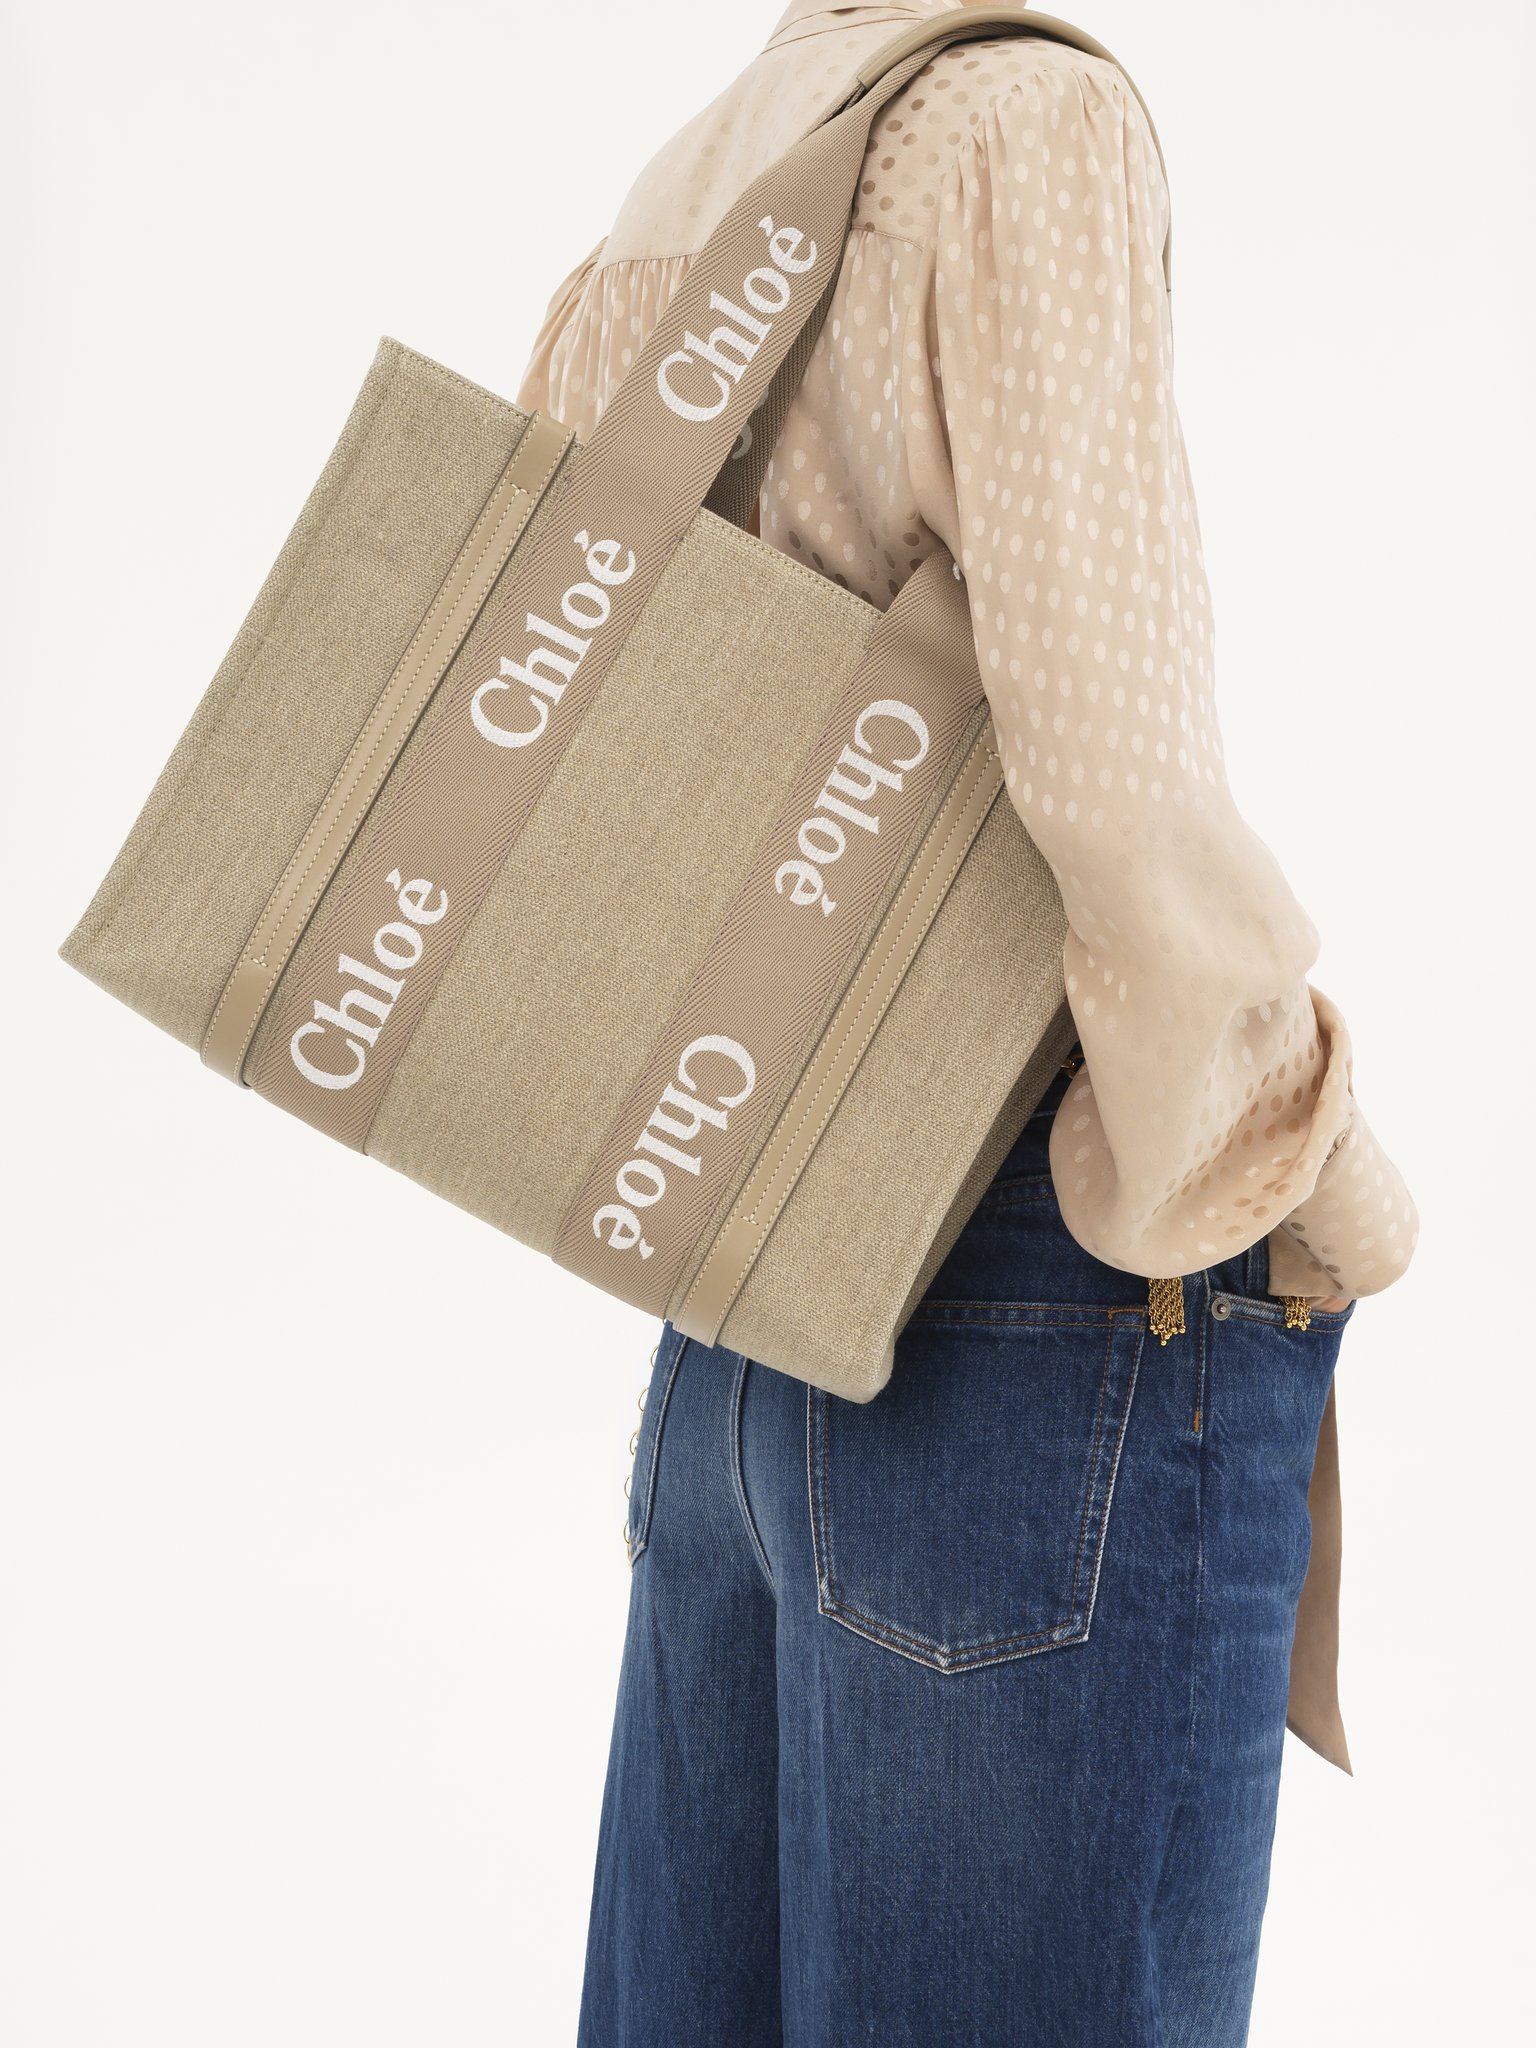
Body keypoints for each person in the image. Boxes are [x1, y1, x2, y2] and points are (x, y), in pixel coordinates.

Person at [515, 3, 1420, 2040]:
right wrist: (1298, 1161)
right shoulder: (1027, 120)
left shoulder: (720, 152)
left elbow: (588, 713)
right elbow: (1111, 771)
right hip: (1031, 1303)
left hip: (746, 1296)